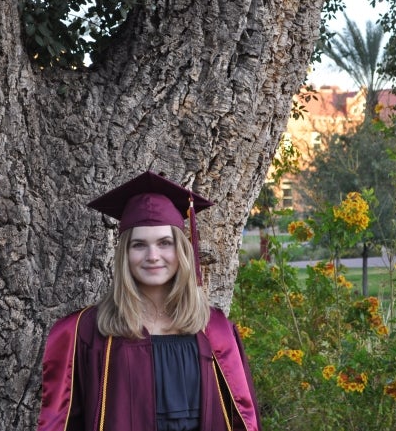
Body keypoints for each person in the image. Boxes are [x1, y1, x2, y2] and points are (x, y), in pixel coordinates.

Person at [37, 171, 261, 431]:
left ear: (182, 251)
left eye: (165, 243)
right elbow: (60, 423)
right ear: (124, 254)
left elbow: (242, 419)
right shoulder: (83, 332)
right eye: (139, 245)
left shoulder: (216, 330)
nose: (153, 256)